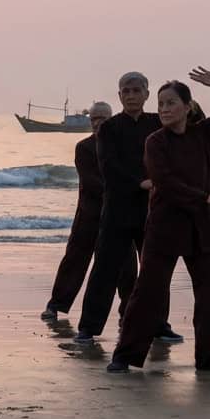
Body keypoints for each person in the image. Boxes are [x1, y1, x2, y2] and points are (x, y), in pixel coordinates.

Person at [107, 68, 210, 374]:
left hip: (203, 230)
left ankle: (208, 360)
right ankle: (124, 356)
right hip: (164, 229)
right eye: (161, 104)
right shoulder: (155, 142)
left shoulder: (204, 135)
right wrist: (203, 198)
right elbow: (164, 183)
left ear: (187, 106)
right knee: (147, 295)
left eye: (170, 103)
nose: (164, 109)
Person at [74, 73, 182, 346]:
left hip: (152, 210)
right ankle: (88, 328)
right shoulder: (109, 128)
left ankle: (158, 325)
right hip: (117, 210)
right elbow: (108, 167)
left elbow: (180, 145)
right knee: (105, 271)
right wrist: (141, 181)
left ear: (147, 95)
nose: (131, 95)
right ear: (119, 95)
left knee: (155, 271)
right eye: (126, 91)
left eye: (137, 90)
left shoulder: (158, 124)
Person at [40, 102, 136, 320]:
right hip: (90, 214)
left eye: (102, 118)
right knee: (75, 260)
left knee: (127, 266)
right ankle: (56, 305)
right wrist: (125, 189)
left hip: (120, 215)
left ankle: (128, 310)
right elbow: (92, 182)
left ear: (112, 119)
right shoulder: (84, 147)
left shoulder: (123, 145)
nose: (97, 122)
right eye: (93, 119)